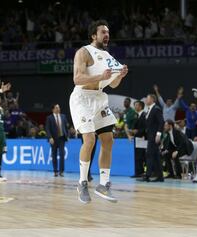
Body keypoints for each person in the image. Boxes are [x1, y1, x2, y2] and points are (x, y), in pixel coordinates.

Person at [70, 19, 128, 203]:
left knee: (108, 139)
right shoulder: (84, 52)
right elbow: (77, 78)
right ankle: (82, 182)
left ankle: (104, 184)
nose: (107, 35)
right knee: (89, 139)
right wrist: (100, 76)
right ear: (94, 35)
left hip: (99, 98)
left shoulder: (109, 57)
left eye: (108, 32)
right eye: (103, 32)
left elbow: (114, 84)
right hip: (82, 98)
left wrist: (120, 75)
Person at [138, 94, 164, 182]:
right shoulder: (149, 109)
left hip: (154, 136)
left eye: (147, 99)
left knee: (149, 155)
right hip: (150, 136)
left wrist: (159, 134)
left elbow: (161, 122)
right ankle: (160, 176)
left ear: (152, 100)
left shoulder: (156, 109)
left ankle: (147, 176)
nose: (146, 100)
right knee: (156, 156)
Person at [45, 104, 69, 177]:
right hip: (54, 139)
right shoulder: (49, 118)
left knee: (62, 155)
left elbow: (66, 126)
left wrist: (67, 135)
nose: (58, 109)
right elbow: (47, 129)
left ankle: (61, 171)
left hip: (62, 138)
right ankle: (55, 171)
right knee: (54, 155)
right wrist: (50, 138)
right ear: (53, 109)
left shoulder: (63, 116)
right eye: (56, 107)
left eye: (59, 107)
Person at [130, 100, 146, 178]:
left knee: (141, 156)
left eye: (136, 105)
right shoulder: (137, 115)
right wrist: (133, 131)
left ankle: (141, 172)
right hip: (137, 138)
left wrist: (138, 131)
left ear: (140, 106)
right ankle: (138, 172)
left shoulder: (144, 115)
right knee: (137, 155)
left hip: (143, 138)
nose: (135, 106)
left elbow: (146, 127)